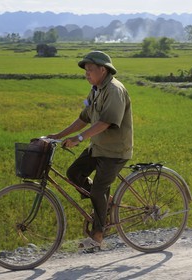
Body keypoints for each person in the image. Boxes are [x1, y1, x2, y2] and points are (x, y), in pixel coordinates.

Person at [48, 51, 133, 248]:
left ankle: (98, 235)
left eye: (90, 70)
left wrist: (78, 138)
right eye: (85, 71)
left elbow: (105, 122)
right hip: (98, 147)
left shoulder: (114, 90)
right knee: (74, 173)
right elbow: (84, 118)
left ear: (103, 70)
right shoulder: (95, 90)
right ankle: (107, 202)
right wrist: (58, 136)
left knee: (97, 191)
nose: (86, 74)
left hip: (115, 151)